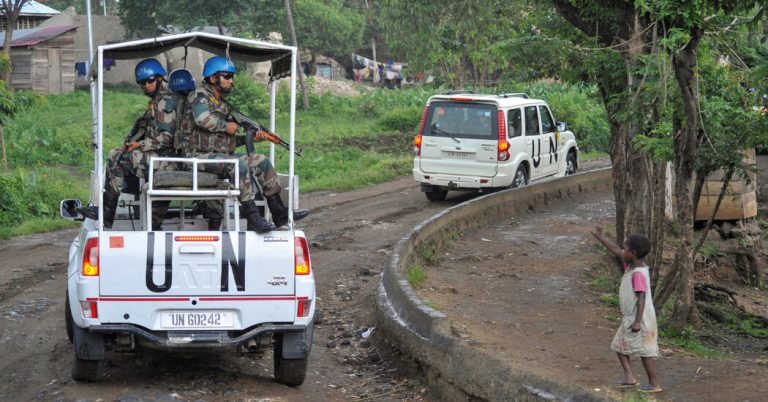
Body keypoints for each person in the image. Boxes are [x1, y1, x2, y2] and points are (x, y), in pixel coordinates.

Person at [182, 55, 308, 233]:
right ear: (213, 78)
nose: (231, 81)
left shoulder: (221, 104)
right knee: (238, 165)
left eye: (232, 76)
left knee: (262, 161)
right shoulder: (199, 95)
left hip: (215, 156)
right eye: (226, 76)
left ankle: (279, 213)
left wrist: (251, 137)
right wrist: (226, 126)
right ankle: (253, 217)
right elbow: (202, 119)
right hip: (196, 158)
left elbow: (222, 140)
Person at [80, 58, 178, 229]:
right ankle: (106, 209)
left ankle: (106, 214)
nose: (146, 85)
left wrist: (140, 145)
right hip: (159, 156)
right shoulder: (157, 101)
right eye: (142, 83)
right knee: (116, 155)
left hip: (168, 159)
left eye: (150, 80)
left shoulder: (165, 101)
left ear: (160, 78)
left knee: (119, 159)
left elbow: (167, 138)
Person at [590, 227, 662, 394]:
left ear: (633, 253)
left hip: (639, 319)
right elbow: (616, 250)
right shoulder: (632, 265)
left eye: (626, 248)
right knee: (625, 347)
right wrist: (600, 237)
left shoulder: (637, 273)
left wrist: (637, 322)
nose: (622, 250)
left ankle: (652, 383)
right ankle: (632, 378)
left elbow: (641, 296)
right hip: (635, 317)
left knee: (641, 351)